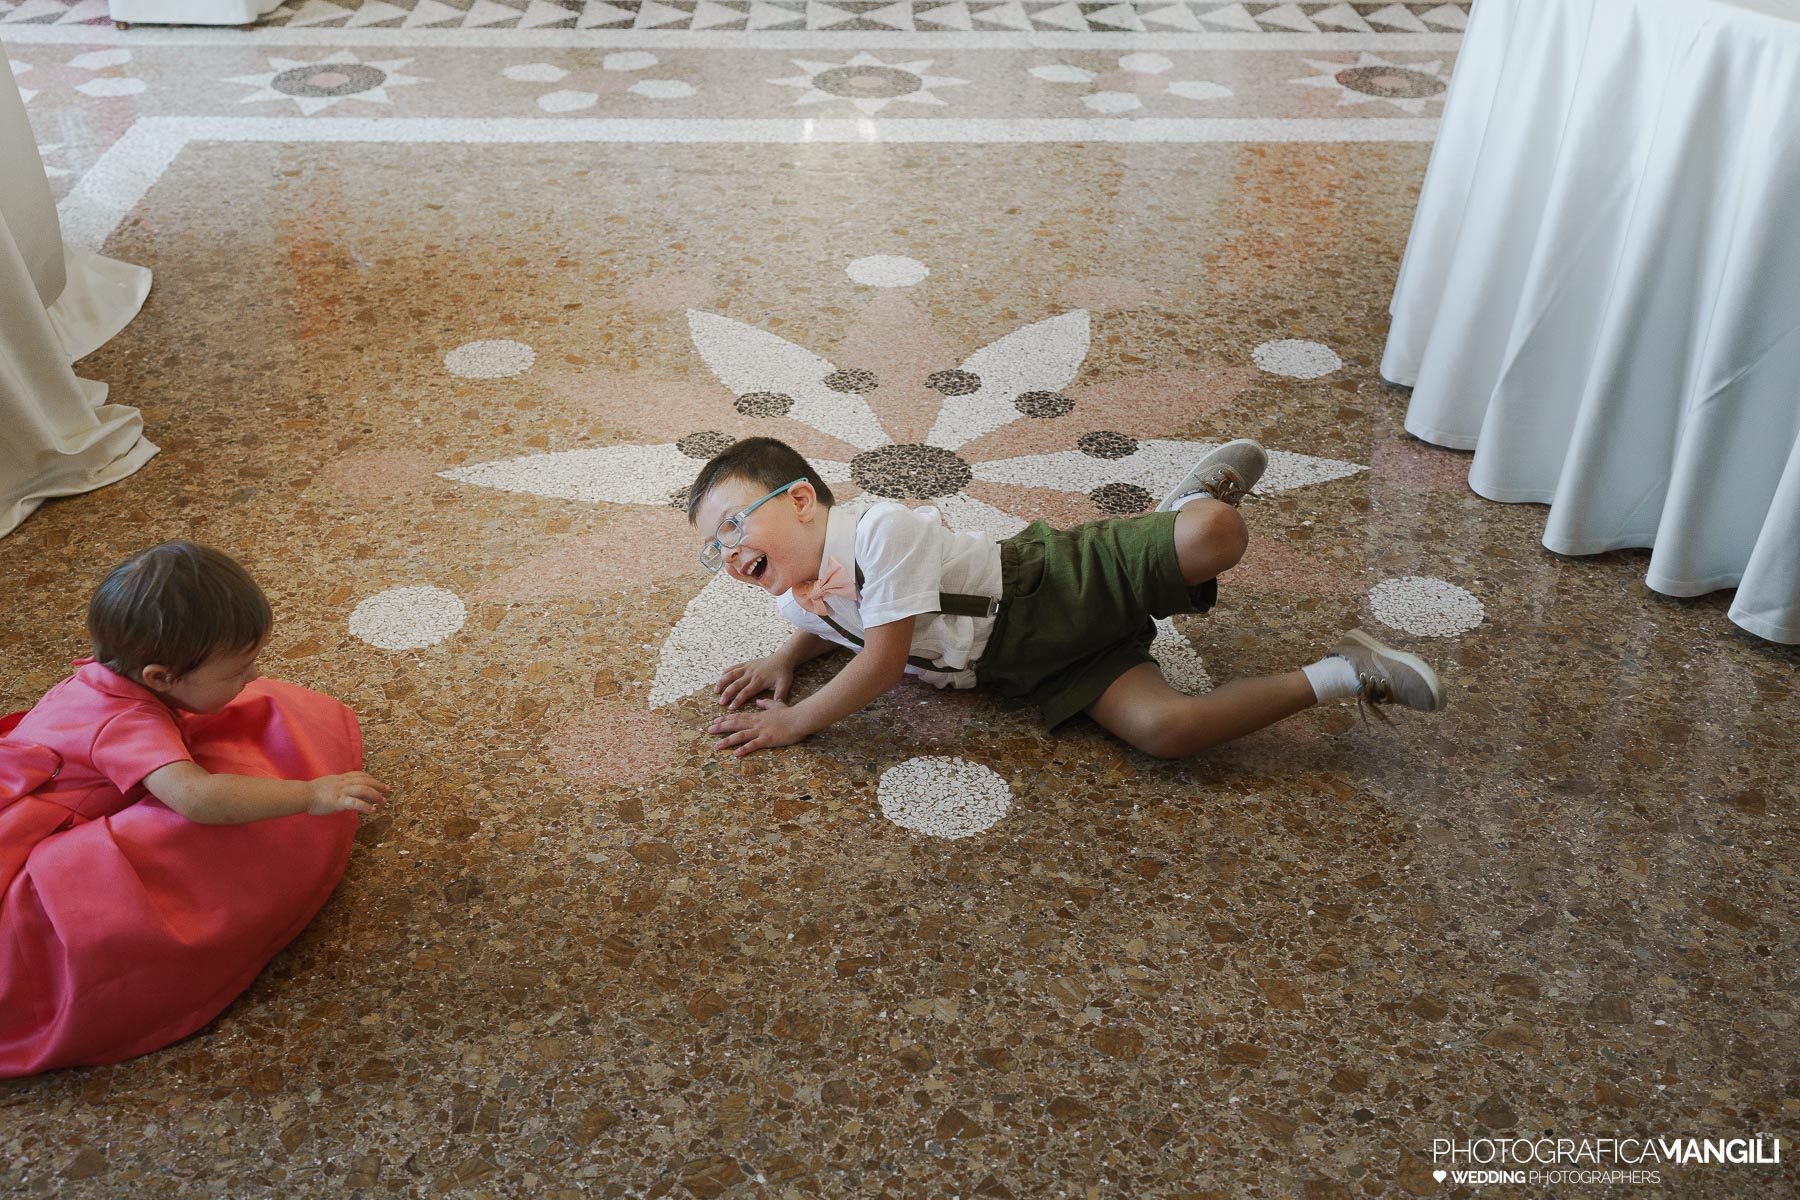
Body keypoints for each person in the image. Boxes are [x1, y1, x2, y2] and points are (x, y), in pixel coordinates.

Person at [688, 437, 1445, 759]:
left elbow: (882, 662)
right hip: (1031, 667)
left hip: (1047, 586)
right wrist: (784, 658)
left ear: (800, 501)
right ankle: (1345, 671)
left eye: (732, 525)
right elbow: (835, 625)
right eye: (713, 548)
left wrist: (793, 723)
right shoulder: (796, 601)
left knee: (1219, 534)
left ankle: (1183, 511)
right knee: (1169, 732)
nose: (728, 554)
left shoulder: (881, 529)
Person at [0, 542, 388, 1076]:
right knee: (202, 837)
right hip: (38, 840)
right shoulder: (126, 724)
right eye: (238, 670)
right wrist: (311, 795)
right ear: (159, 676)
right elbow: (200, 800)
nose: (252, 676)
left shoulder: (99, 679)